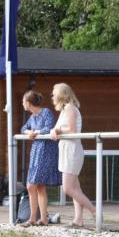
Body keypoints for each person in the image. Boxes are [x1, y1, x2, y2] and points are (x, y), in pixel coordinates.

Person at [49, 83, 96, 228]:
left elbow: (71, 129)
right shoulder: (64, 110)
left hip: (72, 149)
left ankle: (95, 211)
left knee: (68, 188)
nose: (52, 96)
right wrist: (54, 131)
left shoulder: (70, 108)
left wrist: (58, 132)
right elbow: (57, 128)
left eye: (54, 93)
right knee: (75, 187)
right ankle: (78, 220)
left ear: (62, 94)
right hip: (66, 148)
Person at [20, 90, 60, 226]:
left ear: (29, 103)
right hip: (36, 151)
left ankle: (35, 218)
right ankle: (41, 218)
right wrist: (28, 132)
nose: (22, 104)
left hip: (45, 150)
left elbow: (49, 128)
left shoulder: (46, 112)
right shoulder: (33, 117)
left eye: (23, 102)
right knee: (38, 186)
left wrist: (35, 132)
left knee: (32, 184)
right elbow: (23, 128)